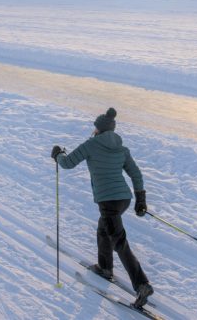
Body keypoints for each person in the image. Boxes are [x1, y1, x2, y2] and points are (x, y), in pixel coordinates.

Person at [51, 107, 154, 308]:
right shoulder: (122, 149)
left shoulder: (91, 145)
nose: (93, 130)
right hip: (123, 199)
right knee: (103, 230)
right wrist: (140, 199)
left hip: (108, 201)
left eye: (95, 128)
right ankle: (105, 267)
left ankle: (142, 284)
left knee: (119, 242)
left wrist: (57, 155)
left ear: (99, 129)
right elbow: (136, 174)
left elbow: (67, 163)